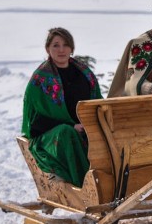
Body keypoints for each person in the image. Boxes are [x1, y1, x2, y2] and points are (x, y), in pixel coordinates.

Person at [22, 27, 103, 187]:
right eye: (56, 45)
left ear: (72, 48)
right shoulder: (40, 80)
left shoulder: (84, 73)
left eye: (66, 45)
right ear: (48, 49)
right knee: (68, 133)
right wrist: (72, 125)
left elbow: (96, 103)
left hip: (84, 127)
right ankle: (84, 187)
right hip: (50, 136)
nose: (61, 50)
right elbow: (36, 121)